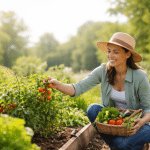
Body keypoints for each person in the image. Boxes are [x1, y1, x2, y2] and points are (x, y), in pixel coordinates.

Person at [47, 32, 150, 150]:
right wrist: (58, 85)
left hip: (141, 124)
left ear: (127, 54)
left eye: (116, 52)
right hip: (118, 122)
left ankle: (128, 144)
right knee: (93, 109)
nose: (110, 55)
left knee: (122, 144)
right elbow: (77, 88)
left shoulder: (140, 76)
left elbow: (148, 109)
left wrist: (140, 122)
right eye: (109, 51)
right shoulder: (103, 71)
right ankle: (121, 145)